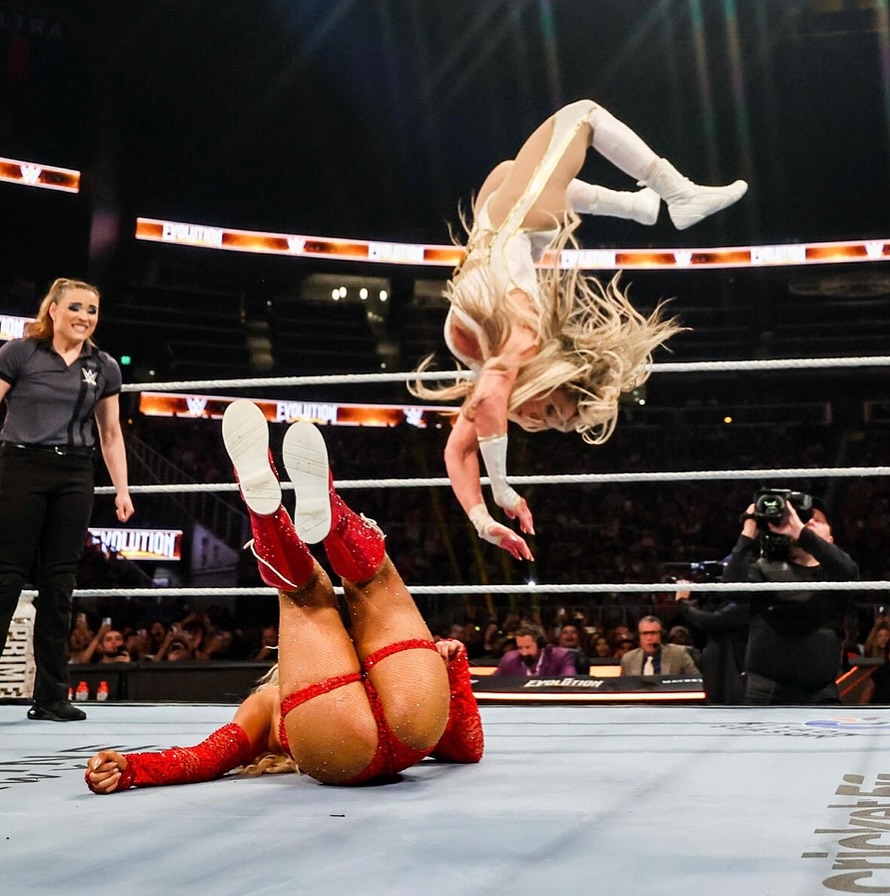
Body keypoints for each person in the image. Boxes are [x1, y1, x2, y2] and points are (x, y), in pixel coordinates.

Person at [85, 402, 482, 793]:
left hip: (335, 746)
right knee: (371, 582)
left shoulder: (269, 702)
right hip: (413, 722)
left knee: (308, 595)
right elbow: (467, 749)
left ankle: (266, 513)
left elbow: (207, 757)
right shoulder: (291, 691)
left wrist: (133, 769)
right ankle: (328, 512)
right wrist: (454, 672)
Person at [411, 99, 746, 560]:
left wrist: (482, 520)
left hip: (494, 231)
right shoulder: (523, 340)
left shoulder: (497, 376)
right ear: (555, 378)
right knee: (583, 115)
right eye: (552, 410)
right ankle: (680, 194)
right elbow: (488, 404)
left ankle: (635, 206)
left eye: (550, 422)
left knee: (509, 170)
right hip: (518, 225)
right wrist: (503, 490)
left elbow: (459, 452)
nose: (538, 420)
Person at [0, 278, 134, 722]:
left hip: (75, 471)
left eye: (92, 310)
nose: (84, 317)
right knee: (6, 577)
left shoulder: (104, 366)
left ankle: (51, 696)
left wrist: (122, 489)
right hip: (21, 465)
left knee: (59, 585)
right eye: (75, 307)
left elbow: (110, 433)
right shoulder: (20, 353)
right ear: (53, 310)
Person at [722, 493, 859, 705]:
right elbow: (731, 588)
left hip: (821, 693)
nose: (808, 522)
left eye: (817, 520)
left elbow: (850, 573)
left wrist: (801, 531)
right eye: (803, 519)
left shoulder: (836, 573)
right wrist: (750, 528)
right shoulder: (764, 569)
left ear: (830, 541)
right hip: (767, 692)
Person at [619, 615, 701, 677]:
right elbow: (622, 688)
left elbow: (696, 681)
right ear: (638, 636)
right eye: (644, 633)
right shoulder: (628, 659)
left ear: (661, 635)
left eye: (653, 633)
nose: (649, 638)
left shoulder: (678, 654)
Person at [494, 622, 577, 676]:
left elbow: (569, 680)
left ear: (540, 644)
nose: (524, 653)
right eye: (520, 648)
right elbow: (495, 682)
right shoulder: (509, 659)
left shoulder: (561, 657)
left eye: (528, 647)